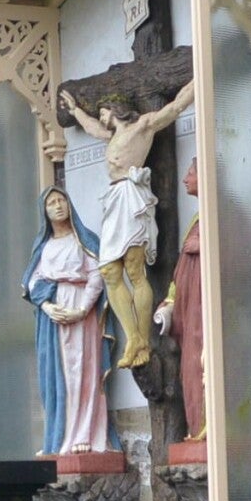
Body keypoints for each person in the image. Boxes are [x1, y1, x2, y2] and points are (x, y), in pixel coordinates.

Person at [57, 81, 195, 368]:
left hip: (132, 198)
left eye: (103, 111)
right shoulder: (110, 135)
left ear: (115, 108)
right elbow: (91, 127)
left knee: (134, 270)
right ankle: (133, 338)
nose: (101, 117)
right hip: (114, 199)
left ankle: (142, 339)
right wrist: (74, 110)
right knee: (109, 270)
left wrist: (199, 77)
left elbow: (175, 107)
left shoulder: (142, 126)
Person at [23, 187, 116, 455]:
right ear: (45, 212)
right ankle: (59, 437)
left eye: (61, 200)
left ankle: (85, 433)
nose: (58, 206)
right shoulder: (43, 247)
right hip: (53, 317)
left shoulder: (84, 241)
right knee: (57, 375)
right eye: (51, 203)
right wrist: (47, 306)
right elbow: (33, 281)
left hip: (80, 310)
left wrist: (82, 309)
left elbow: (97, 275)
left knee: (83, 371)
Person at [153, 158, 205, 443]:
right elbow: (181, 270)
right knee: (189, 368)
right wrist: (171, 300)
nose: (185, 179)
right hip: (188, 309)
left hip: (203, 309)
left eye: (191, 173)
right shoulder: (197, 220)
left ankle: (206, 428)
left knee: (203, 363)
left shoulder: (219, 215)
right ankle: (196, 429)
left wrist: (201, 245)